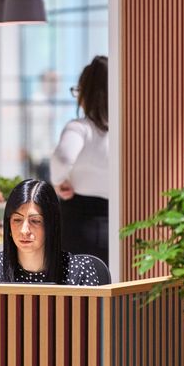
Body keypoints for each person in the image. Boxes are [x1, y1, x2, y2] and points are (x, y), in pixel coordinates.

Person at [0, 179, 101, 285]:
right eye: (17, 220)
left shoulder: (79, 270)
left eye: (35, 221)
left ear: (51, 225)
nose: (24, 230)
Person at [49, 55, 109, 265]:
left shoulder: (80, 127)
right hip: (115, 222)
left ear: (86, 92)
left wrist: (59, 182)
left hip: (77, 221)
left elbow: (63, 157)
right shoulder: (123, 131)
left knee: (76, 295)